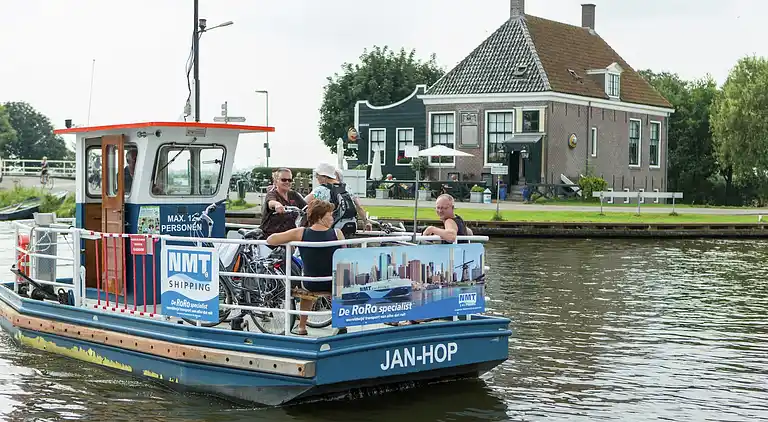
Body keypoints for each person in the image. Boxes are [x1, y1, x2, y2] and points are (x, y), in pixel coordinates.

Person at [266, 200, 345, 336]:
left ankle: (302, 327)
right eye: (330, 215)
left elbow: (271, 240)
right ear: (320, 217)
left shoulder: (301, 233)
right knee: (337, 282)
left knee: (306, 287)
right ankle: (341, 323)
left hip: (311, 283)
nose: (332, 218)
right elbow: (345, 257)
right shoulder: (337, 234)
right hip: (333, 283)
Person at [304, 163, 370, 236]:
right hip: (351, 226)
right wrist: (366, 222)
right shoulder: (347, 187)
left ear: (325, 177)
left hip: (334, 229)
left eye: (318, 175)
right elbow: (359, 206)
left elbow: (303, 202)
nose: (316, 177)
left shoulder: (321, 190)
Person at [261, 168, 307, 238]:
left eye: (290, 180)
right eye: (284, 180)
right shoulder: (272, 194)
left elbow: (306, 207)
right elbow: (271, 202)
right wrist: (277, 205)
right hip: (271, 237)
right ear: (276, 182)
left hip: (289, 237)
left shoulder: (294, 195)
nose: (287, 182)